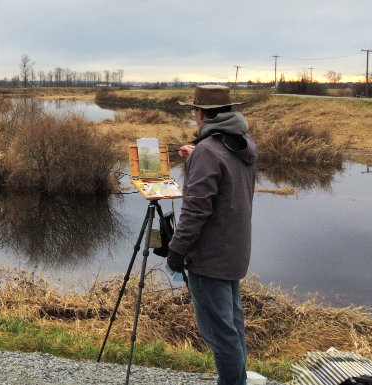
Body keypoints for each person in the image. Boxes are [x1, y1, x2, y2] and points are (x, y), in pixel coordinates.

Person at [167, 85, 257, 385]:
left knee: (219, 333)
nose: (194, 115)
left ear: (202, 114)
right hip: (234, 250)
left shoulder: (209, 151)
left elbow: (195, 211)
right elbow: (223, 168)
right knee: (232, 324)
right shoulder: (242, 142)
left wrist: (176, 250)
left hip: (209, 257)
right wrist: (198, 154)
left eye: (195, 110)